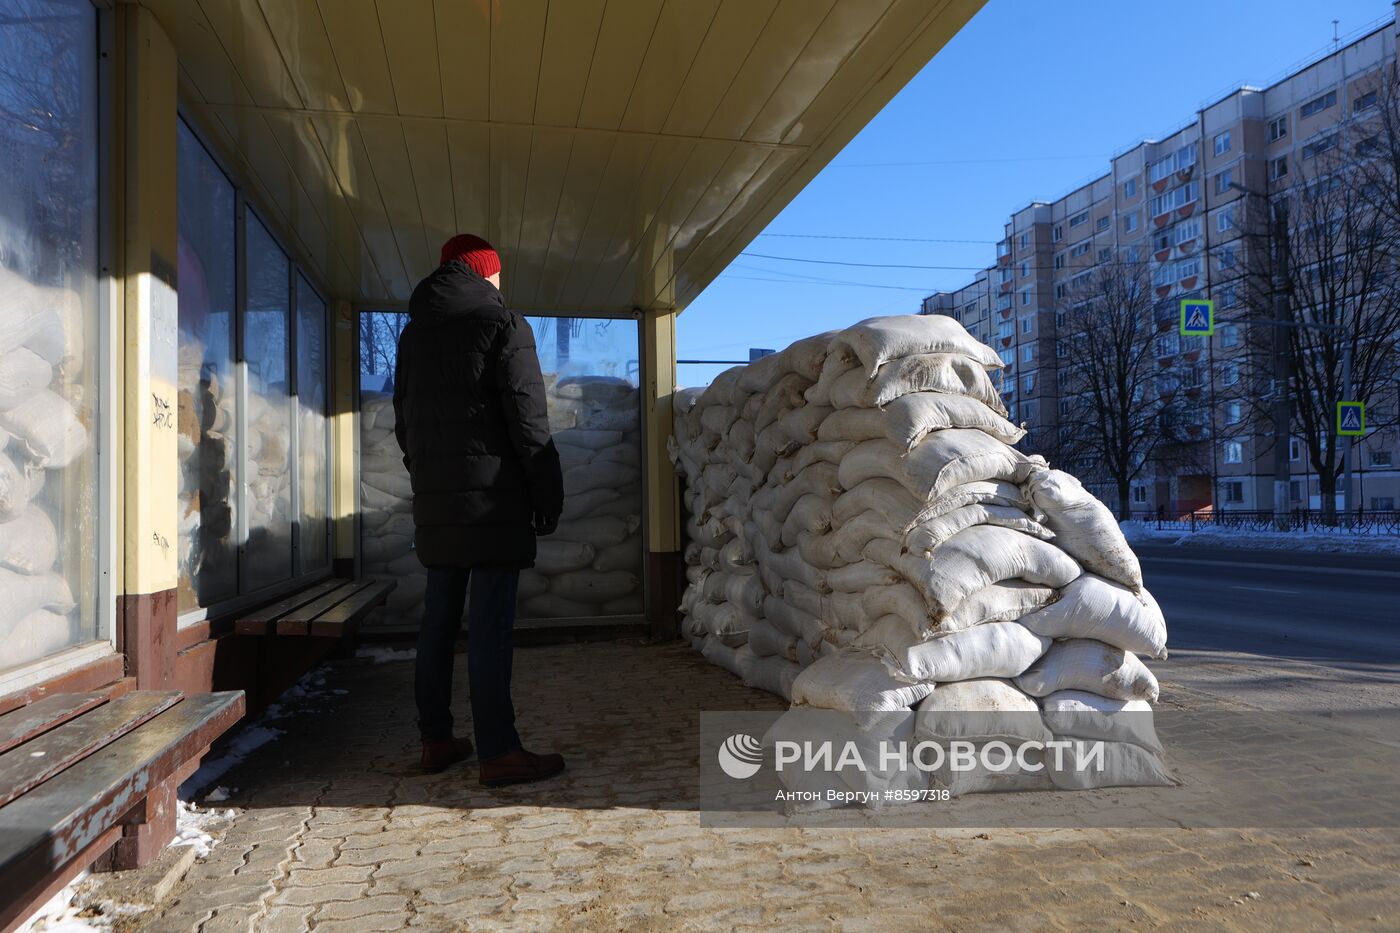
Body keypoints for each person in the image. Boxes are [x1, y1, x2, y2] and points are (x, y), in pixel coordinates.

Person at [393, 234, 566, 786]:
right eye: (498, 275)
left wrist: (429, 481)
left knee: (439, 623)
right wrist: (547, 494)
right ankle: (499, 750)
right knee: (489, 628)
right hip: (494, 503)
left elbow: (405, 424)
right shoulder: (502, 325)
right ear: (485, 272)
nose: (499, 284)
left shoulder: (414, 335)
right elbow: (528, 421)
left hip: (438, 503)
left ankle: (436, 740)